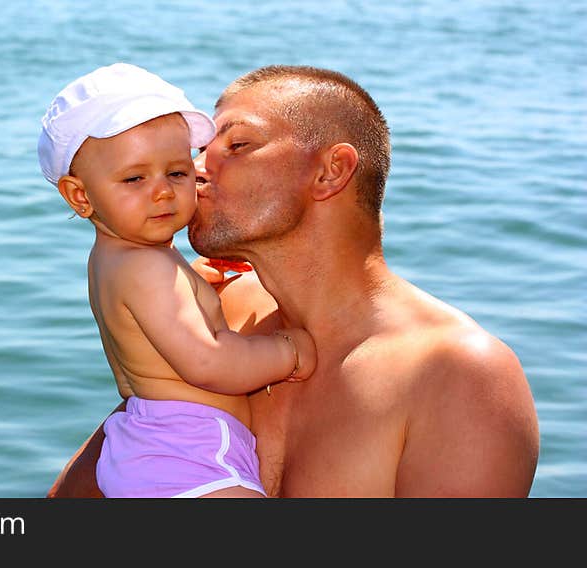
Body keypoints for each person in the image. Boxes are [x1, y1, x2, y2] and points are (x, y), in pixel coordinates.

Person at [47, 64, 540, 498]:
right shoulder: (223, 312)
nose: (194, 171)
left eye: (237, 145)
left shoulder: (455, 375)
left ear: (331, 172)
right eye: (197, 152)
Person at [38, 63, 317, 498]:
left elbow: (147, 329)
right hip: (191, 456)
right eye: (135, 178)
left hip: (150, 446)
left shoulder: (118, 259)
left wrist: (195, 281)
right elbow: (208, 363)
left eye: (177, 172)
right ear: (79, 195)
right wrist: (289, 352)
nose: (163, 191)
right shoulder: (148, 268)